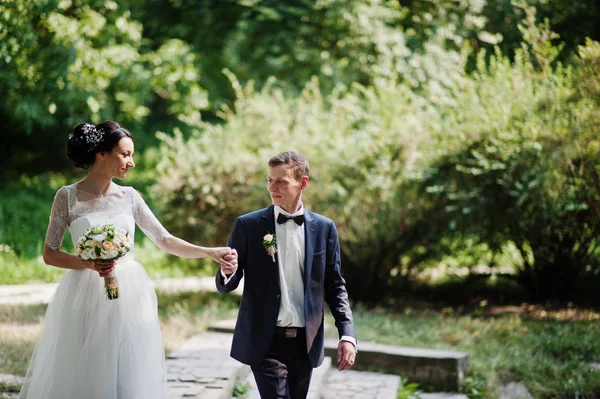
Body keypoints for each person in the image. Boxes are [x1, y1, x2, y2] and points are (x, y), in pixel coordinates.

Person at [19, 121, 237, 399]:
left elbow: (164, 240)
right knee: (89, 366)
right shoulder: (67, 196)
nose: (131, 162)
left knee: (128, 365)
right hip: (84, 293)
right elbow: (50, 254)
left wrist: (210, 252)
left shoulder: (129, 196)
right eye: (125, 154)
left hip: (131, 293)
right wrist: (88, 263)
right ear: (102, 155)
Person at [216, 151, 357, 399]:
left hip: (306, 342)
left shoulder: (324, 228)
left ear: (302, 182)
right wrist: (228, 271)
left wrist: (347, 334)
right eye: (269, 180)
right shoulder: (248, 225)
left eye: (281, 181)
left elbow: (335, 285)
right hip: (264, 341)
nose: (273, 187)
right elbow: (228, 283)